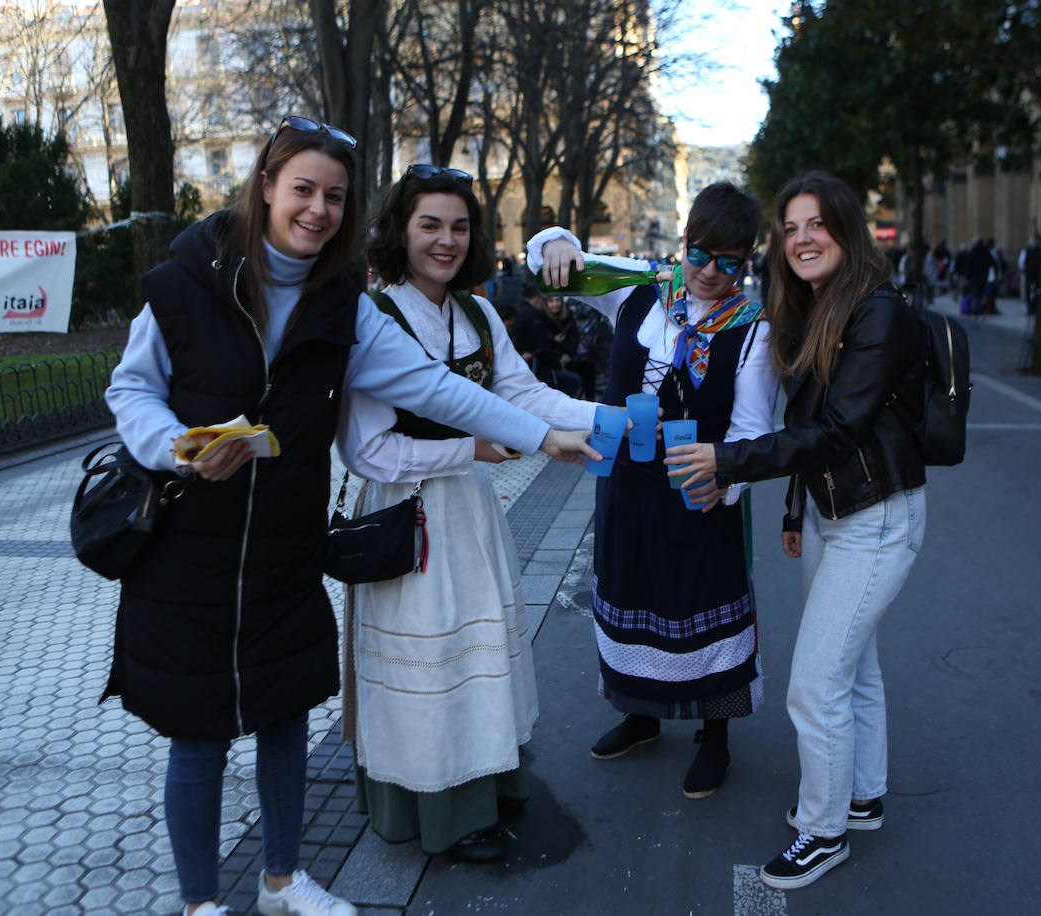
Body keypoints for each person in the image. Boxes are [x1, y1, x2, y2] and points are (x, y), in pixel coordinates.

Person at [103, 119, 596, 916]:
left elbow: (441, 390)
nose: (318, 209)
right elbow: (132, 388)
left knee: (285, 716)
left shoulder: (343, 304)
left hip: (284, 543)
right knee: (195, 734)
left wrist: (543, 435)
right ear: (266, 186)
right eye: (303, 189)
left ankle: (283, 881)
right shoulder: (188, 278)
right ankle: (200, 904)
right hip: (188, 546)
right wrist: (175, 448)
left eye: (334, 195)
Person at [666, 172, 928, 891]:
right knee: (854, 668)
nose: (804, 237)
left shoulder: (876, 312)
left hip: (875, 519)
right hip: (831, 514)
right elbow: (808, 421)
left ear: (845, 229)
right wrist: (792, 511)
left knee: (814, 685)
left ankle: (824, 831)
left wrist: (728, 460)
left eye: (817, 223)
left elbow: (838, 430)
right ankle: (863, 797)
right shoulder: (815, 305)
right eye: (792, 226)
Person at [336, 163, 597, 863]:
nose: (446, 241)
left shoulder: (477, 312)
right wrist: (468, 451)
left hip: (470, 518)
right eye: (429, 225)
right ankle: (441, 815)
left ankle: (488, 786)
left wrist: (612, 419)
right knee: (429, 667)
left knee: (473, 660)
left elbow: (526, 397)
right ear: (399, 230)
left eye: (458, 226)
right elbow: (367, 452)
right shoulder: (374, 315)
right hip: (404, 519)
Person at [529, 182, 777, 800]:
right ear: (683, 241)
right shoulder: (642, 287)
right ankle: (640, 715)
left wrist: (719, 489)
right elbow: (555, 265)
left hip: (699, 491)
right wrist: (555, 241)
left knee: (703, 605)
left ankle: (715, 737)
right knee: (629, 591)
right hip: (626, 488)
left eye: (729, 262)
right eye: (699, 254)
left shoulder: (753, 330)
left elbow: (750, 430)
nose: (709, 273)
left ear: (746, 261)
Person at [1019, 236, 1041, 315]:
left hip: (1032, 274)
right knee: (1032, 291)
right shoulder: (1029, 250)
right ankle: (1032, 307)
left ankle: (1032, 307)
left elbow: (1022, 263)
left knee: (1033, 291)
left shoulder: (1029, 250)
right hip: (1033, 274)